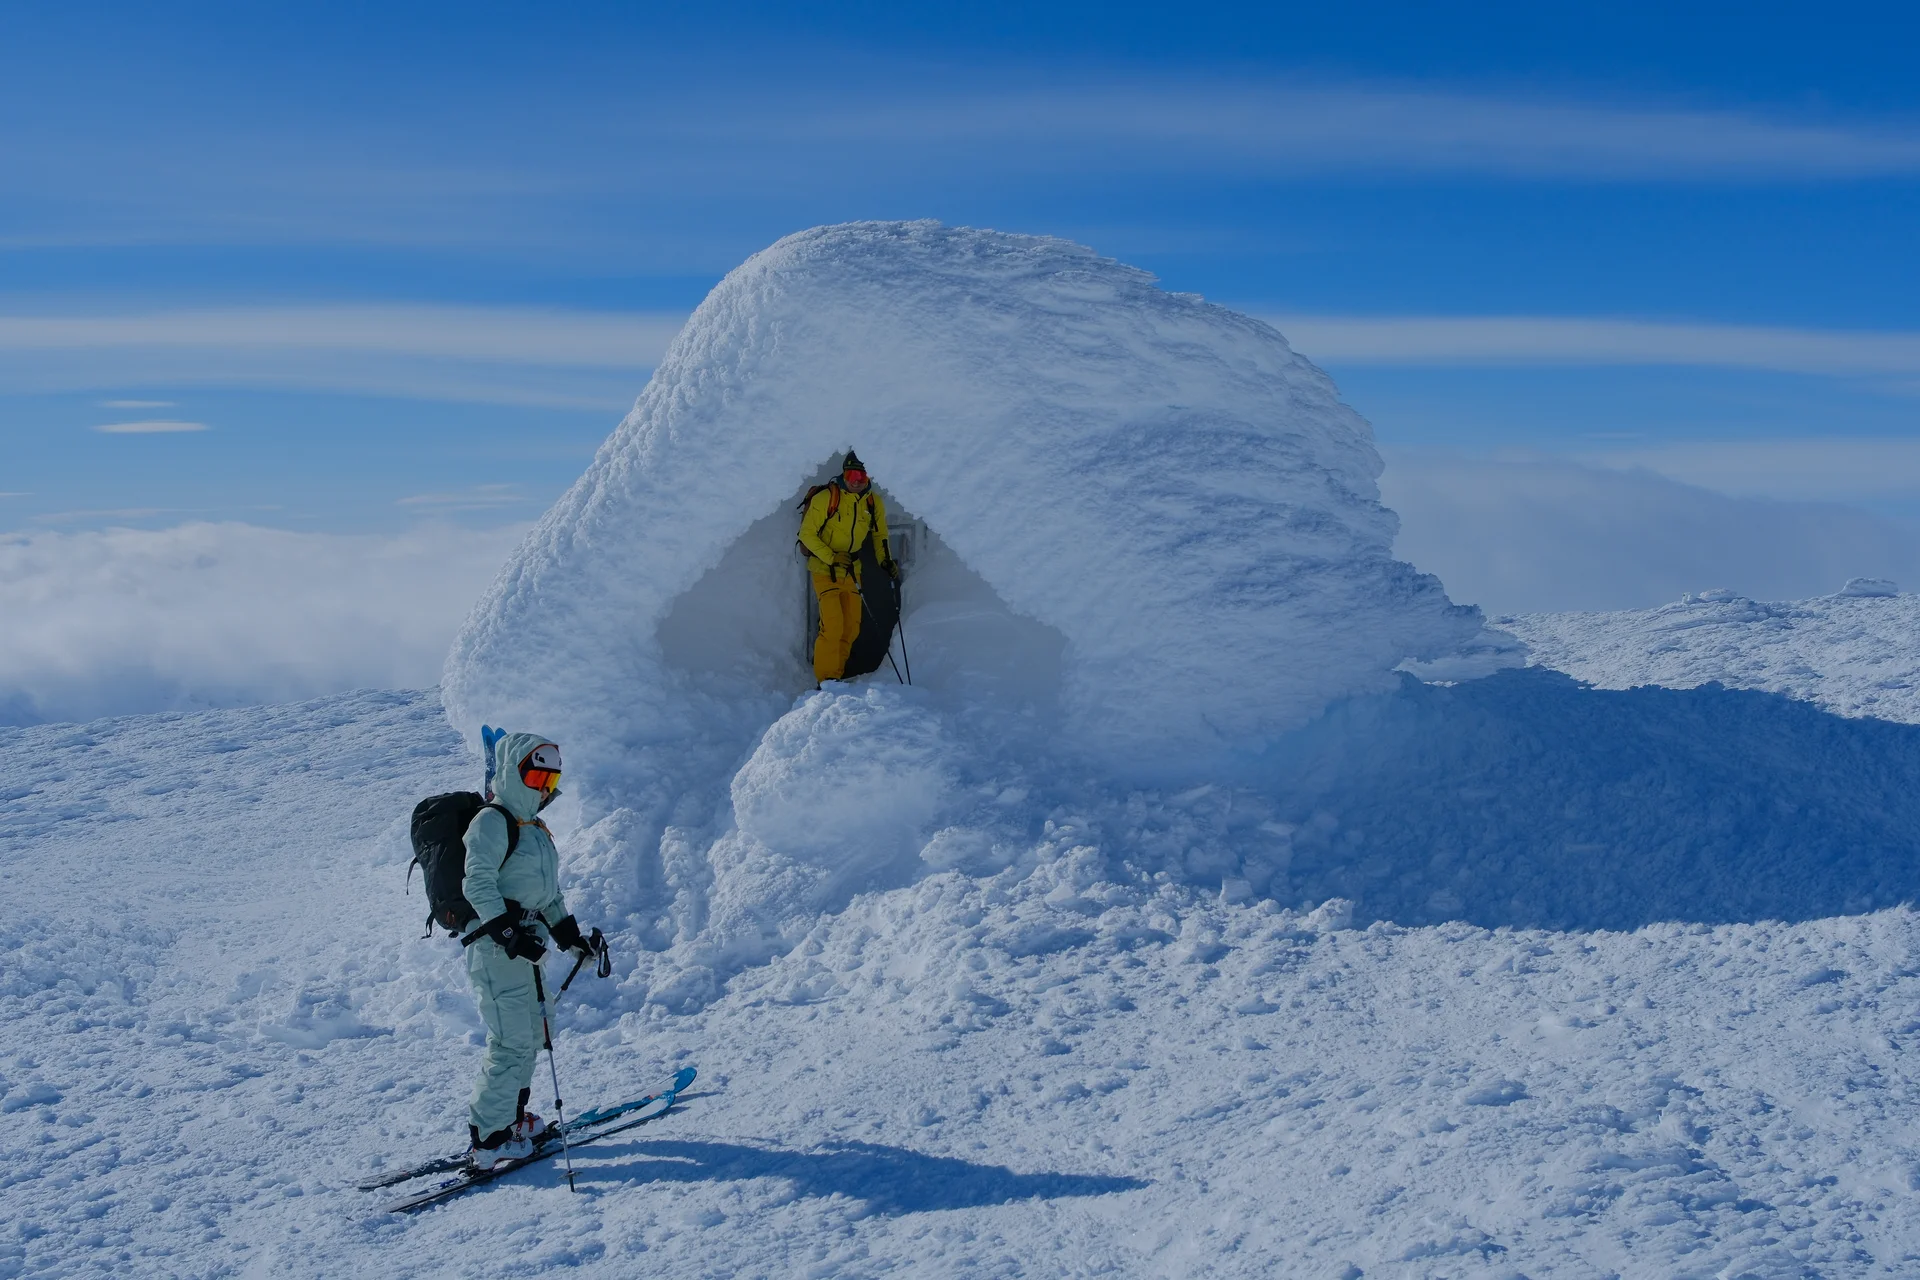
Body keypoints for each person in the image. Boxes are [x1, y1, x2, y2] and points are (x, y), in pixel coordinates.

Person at [459, 731, 602, 1169]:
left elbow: (548, 895)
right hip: (497, 949)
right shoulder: (492, 820)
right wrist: (507, 936)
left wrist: (569, 936)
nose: (544, 786)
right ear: (513, 772)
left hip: (528, 948)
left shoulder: (536, 829)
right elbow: (476, 882)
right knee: (510, 1040)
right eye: (537, 774)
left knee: (534, 1035)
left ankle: (513, 1120)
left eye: (551, 780)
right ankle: (488, 1138)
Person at [797, 450, 900, 685]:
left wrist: (885, 560)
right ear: (844, 474)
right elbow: (807, 534)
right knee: (833, 626)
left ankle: (837, 676)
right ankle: (826, 681)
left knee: (851, 628)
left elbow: (880, 535)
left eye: (862, 476)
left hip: (853, 569)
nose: (856, 481)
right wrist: (831, 557)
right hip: (825, 569)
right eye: (852, 474)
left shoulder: (873, 502)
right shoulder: (827, 498)